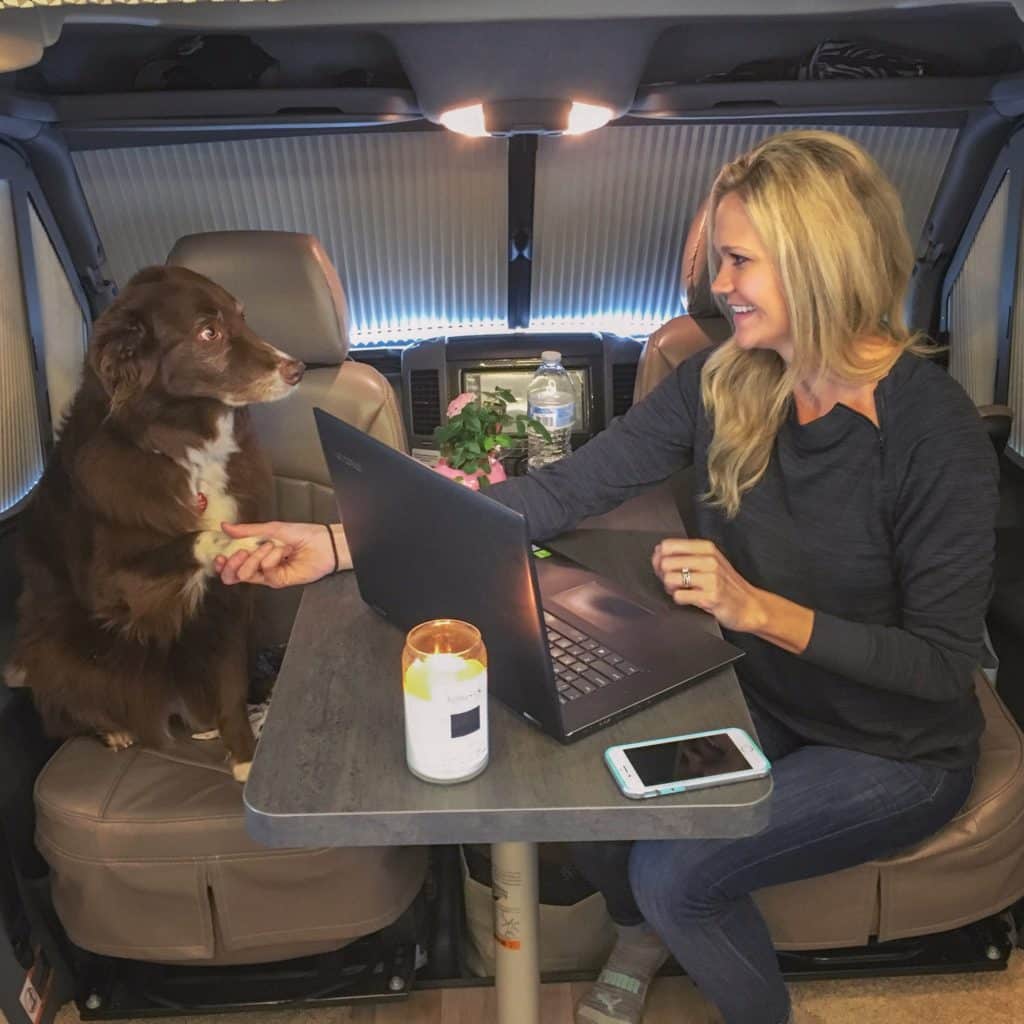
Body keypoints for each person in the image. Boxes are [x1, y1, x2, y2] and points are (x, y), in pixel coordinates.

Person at [215, 130, 998, 1024]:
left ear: (819, 261)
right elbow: (560, 491)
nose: (721, 285)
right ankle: (646, 931)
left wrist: (757, 608)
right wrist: (336, 541)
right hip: (767, 703)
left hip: (893, 750)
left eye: (741, 261)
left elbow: (940, 666)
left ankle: (725, 976)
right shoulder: (723, 381)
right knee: (578, 785)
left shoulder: (931, 436)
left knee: (678, 870)